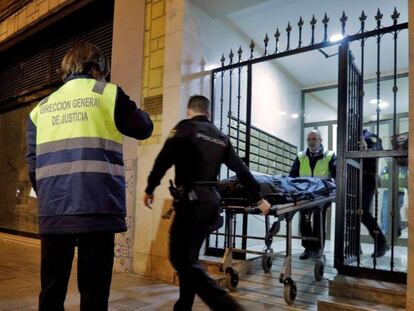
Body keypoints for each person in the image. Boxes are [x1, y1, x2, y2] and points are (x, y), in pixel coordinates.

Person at [26, 42, 153, 310]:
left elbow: (32, 165)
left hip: (55, 211)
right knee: (94, 292)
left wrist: (49, 196)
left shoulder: (41, 108)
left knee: (51, 289)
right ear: (97, 69)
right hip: (98, 208)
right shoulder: (108, 93)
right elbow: (144, 128)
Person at [143, 95, 270, 311]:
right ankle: (184, 305)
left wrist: (150, 188)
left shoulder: (184, 129)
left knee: (179, 258)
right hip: (211, 202)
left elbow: (162, 161)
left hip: (190, 202)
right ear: (208, 113)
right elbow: (241, 170)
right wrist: (258, 197)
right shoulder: (221, 137)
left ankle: (228, 306)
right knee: (190, 258)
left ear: (189, 110)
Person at [289, 130, 336, 260]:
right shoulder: (301, 156)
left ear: (320, 141)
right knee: (304, 221)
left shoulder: (330, 155)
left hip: (322, 195)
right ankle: (308, 248)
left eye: (314, 139)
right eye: (309, 139)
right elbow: (292, 175)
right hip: (305, 194)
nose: (311, 142)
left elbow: (336, 175)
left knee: (318, 221)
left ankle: (318, 249)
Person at [360, 129, 389, 258]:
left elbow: (379, 149)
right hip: (353, 179)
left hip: (368, 179)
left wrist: (367, 151)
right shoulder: (351, 138)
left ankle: (381, 241)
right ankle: (354, 245)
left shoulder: (371, 136)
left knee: (363, 212)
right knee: (351, 212)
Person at [379, 165, 407, 237]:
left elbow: (380, 177)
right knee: (394, 212)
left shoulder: (388, 167)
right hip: (397, 190)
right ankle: (395, 231)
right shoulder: (403, 168)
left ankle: (388, 232)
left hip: (393, 190)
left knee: (387, 212)